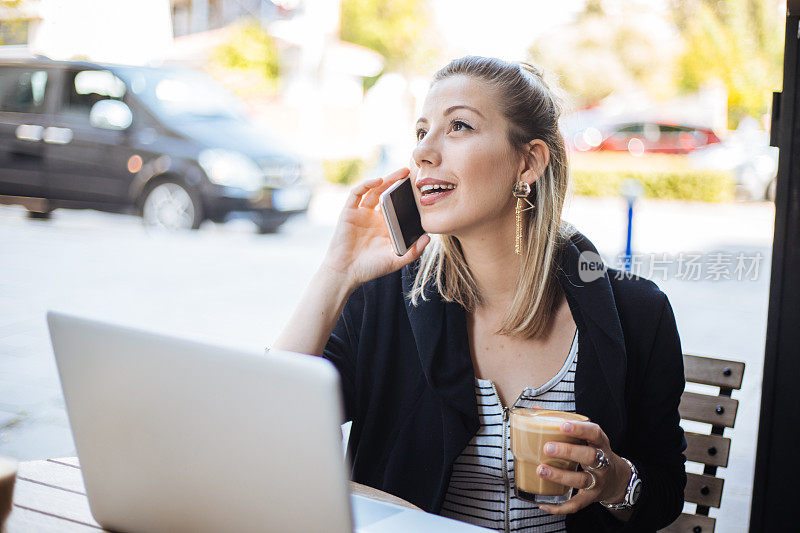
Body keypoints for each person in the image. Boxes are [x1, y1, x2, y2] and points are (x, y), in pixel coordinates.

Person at [272, 56, 686, 532]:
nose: (424, 153)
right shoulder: (383, 298)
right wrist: (336, 273)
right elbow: (272, 424)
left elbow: (664, 491)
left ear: (528, 162)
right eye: (421, 131)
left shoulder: (638, 312)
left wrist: (615, 481)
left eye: (460, 126)